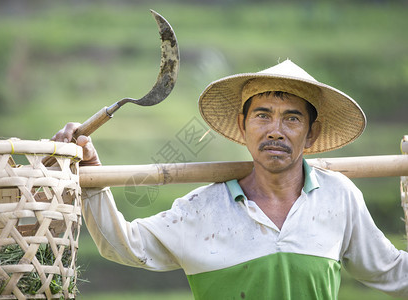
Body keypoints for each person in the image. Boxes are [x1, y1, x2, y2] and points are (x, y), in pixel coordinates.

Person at [53, 60, 408, 299]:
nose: (275, 131)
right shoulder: (202, 209)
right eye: (263, 116)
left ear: (312, 134)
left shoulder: (338, 197)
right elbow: (122, 245)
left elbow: (391, 270)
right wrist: (93, 174)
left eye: (292, 119)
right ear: (242, 126)